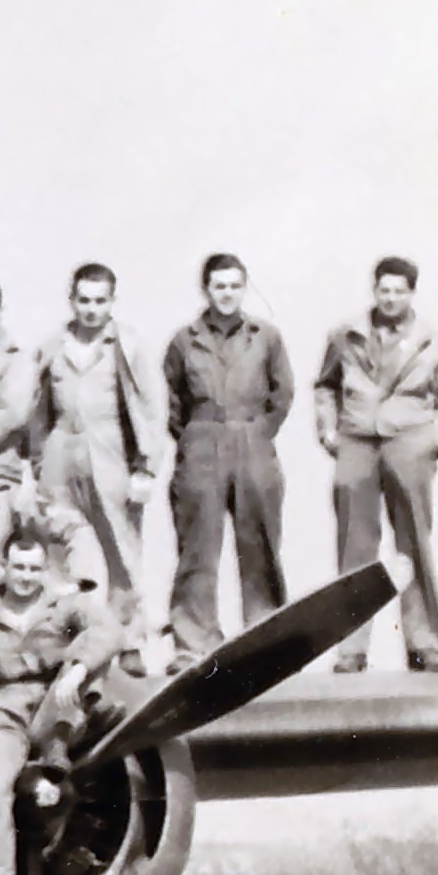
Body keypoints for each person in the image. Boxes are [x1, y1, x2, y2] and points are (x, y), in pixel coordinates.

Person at [309, 255, 438, 673]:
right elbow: (325, 386)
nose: (390, 299)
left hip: (409, 443)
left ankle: (425, 642)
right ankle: (351, 648)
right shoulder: (345, 335)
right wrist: (328, 430)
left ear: (412, 293)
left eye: (399, 291)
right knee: (355, 546)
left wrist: (434, 443)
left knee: (413, 546)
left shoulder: (434, 341)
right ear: (374, 291)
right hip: (357, 442)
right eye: (383, 290)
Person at [157, 254, 293, 650]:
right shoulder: (185, 340)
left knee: (260, 541)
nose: (227, 293)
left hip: (253, 440)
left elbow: (282, 394)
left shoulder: (265, 336)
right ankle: (194, 641)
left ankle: (265, 636)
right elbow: (172, 402)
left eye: (234, 285)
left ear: (244, 288)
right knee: (197, 545)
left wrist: (258, 433)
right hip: (202, 442)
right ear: (206, 289)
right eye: (219, 286)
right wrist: (196, 437)